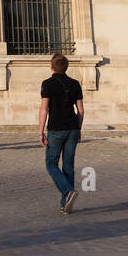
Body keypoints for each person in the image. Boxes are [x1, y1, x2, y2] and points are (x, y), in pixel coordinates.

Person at [39, 53, 84, 213]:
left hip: (56, 128)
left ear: (51, 67)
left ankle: (67, 191)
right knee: (68, 165)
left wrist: (40, 132)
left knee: (51, 163)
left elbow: (44, 109)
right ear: (66, 67)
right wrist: (79, 129)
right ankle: (66, 203)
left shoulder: (47, 84)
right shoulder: (75, 84)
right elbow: (80, 110)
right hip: (72, 127)